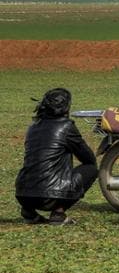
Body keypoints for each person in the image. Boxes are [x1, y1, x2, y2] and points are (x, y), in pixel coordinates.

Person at [15, 88, 98, 225]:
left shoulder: (33, 127)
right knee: (91, 169)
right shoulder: (66, 127)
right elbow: (88, 158)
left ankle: (29, 211)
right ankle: (58, 213)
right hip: (50, 197)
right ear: (66, 108)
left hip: (23, 193)